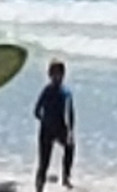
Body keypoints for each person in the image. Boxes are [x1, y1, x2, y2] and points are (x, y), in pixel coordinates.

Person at [34, 58, 75, 192]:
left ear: (64, 75)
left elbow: (70, 113)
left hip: (60, 128)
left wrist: (70, 131)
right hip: (47, 129)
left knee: (70, 147)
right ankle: (39, 185)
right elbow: (36, 110)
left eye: (60, 74)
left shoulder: (66, 92)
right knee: (44, 160)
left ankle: (66, 177)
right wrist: (45, 121)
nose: (57, 77)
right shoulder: (46, 91)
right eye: (54, 74)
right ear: (49, 75)